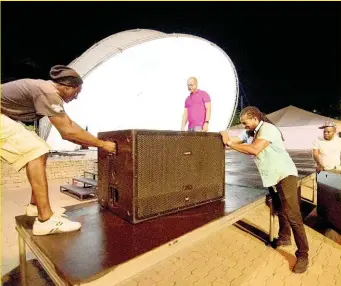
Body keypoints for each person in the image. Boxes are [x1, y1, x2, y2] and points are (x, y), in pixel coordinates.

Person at [1, 65, 116, 236]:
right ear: (67, 87)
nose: (76, 97)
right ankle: (45, 220)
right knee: (37, 150)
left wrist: (98, 141)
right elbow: (67, 133)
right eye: (76, 92)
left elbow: (69, 124)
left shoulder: (47, 91)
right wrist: (102, 144)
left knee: (41, 148)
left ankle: (35, 206)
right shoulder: (48, 93)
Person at [220, 106, 309, 274]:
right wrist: (226, 137)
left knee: (293, 215)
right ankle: (284, 238)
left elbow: (254, 149)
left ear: (254, 118)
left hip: (284, 174)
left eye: (245, 123)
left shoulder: (268, 129)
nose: (244, 126)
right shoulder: (250, 132)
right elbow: (235, 141)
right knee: (280, 209)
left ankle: (303, 255)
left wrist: (230, 142)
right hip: (271, 177)